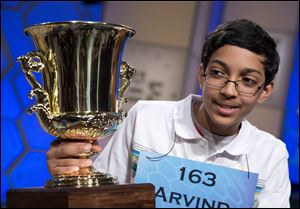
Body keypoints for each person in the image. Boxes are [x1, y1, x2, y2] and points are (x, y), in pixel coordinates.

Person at [46, 19, 291, 207]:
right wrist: (68, 175)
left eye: (247, 80)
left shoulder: (270, 154)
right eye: (218, 73)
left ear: (265, 90)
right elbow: (99, 199)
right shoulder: (146, 118)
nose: (229, 91)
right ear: (201, 74)